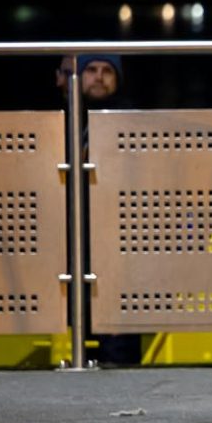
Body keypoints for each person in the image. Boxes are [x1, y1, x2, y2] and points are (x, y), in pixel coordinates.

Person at [53, 53, 142, 366]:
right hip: (65, 237)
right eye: (90, 70)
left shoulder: (129, 120)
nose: (100, 77)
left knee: (118, 338)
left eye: (107, 71)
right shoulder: (56, 122)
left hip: (115, 240)